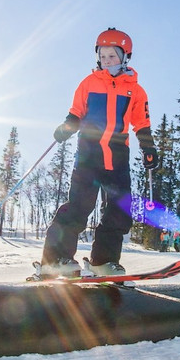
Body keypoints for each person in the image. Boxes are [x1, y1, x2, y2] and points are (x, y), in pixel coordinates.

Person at [38, 28, 157, 278]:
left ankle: (103, 261)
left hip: (117, 156)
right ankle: (55, 259)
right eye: (102, 56)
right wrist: (66, 128)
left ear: (125, 57)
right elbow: (76, 112)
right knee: (79, 206)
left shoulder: (136, 90)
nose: (107, 61)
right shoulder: (89, 83)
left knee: (119, 210)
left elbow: (142, 123)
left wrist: (148, 147)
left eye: (112, 56)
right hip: (89, 154)